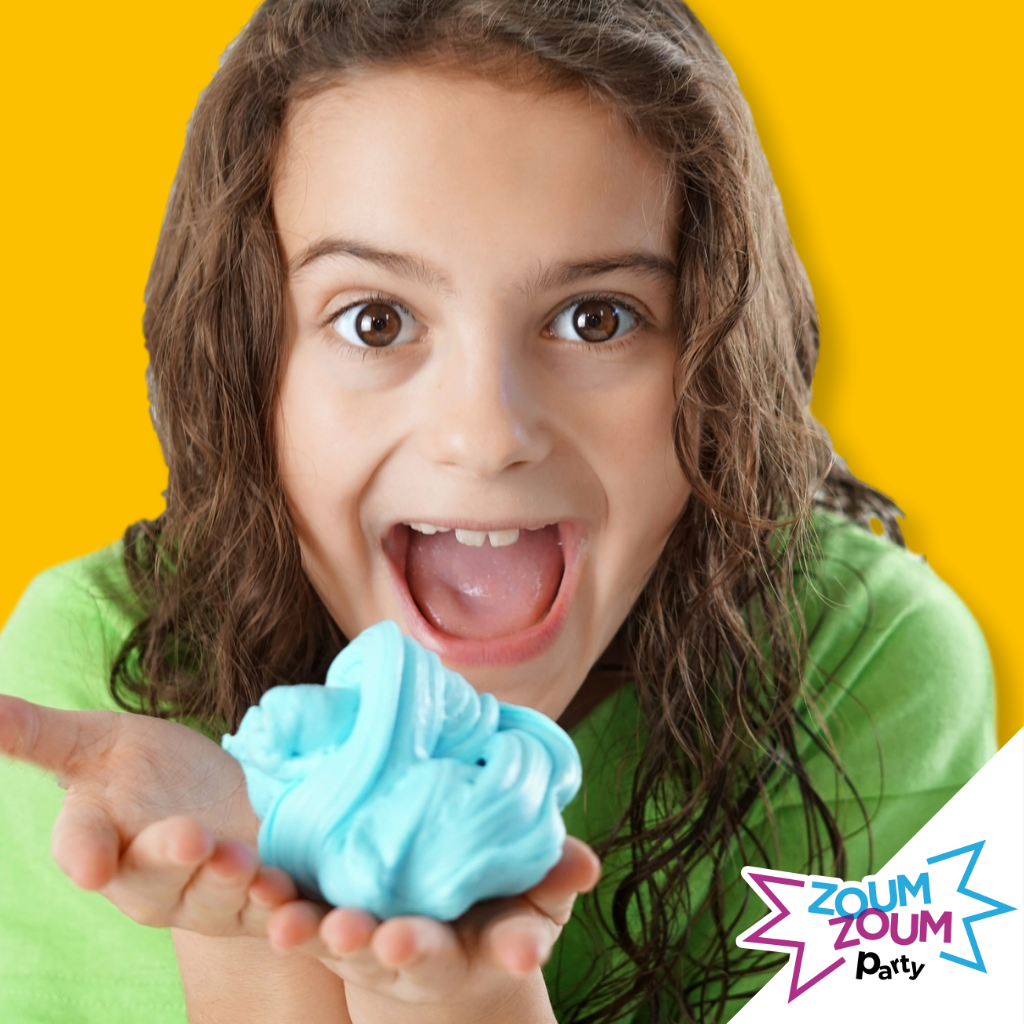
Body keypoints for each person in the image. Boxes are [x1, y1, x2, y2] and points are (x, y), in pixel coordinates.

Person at [0, 1, 996, 1022]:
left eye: (595, 318)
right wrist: (259, 950)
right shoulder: (107, 681)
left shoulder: (862, 668)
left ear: (715, 360)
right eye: (375, 319)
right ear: (251, 366)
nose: (485, 433)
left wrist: (471, 1005)